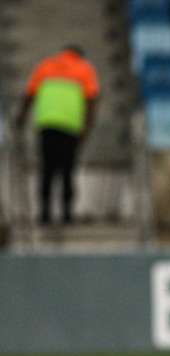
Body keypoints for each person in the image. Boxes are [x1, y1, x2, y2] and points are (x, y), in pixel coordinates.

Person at [15, 45, 99, 225]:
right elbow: (92, 99)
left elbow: (29, 94)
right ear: (79, 55)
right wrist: (88, 126)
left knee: (47, 170)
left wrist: (20, 118)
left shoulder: (45, 65)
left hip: (47, 124)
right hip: (71, 127)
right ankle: (67, 215)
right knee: (68, 171)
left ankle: (44, 213)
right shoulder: (84, 68)